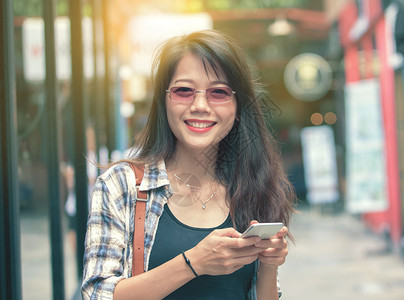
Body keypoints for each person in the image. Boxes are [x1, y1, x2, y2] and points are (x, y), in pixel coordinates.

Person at [81, 29, 295, 299]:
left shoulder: (252, 186)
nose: (200, 105)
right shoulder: (122, 186)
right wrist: (193, 263)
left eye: (218, 92)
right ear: (164, 100)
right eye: (184, 91)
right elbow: (96, 294)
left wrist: (269, 266)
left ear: (238, 108)